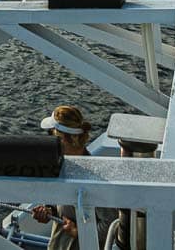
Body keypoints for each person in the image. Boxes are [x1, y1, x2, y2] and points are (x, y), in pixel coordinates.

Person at [31, 105, 112, 250]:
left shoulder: (95, 177)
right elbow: (57, 206)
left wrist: (78, 232)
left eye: (51, 134)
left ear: (62, 139)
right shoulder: (60, 166)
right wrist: (48, 211)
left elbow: (110, 223)